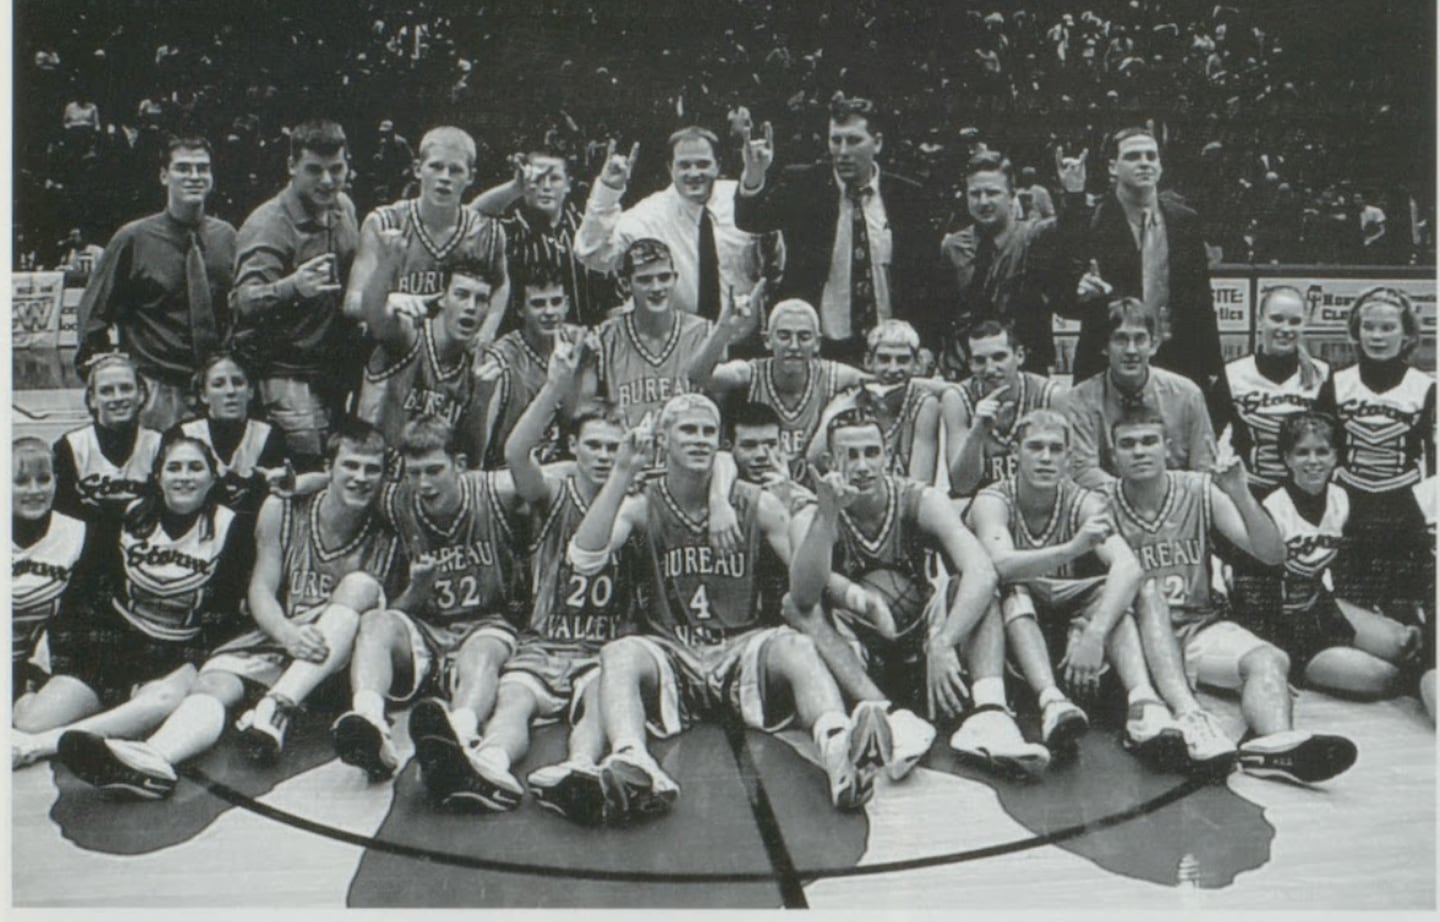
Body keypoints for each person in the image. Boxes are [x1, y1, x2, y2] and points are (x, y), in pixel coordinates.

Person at [562, 395, 899, 821]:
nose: (700, 440)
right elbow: (584, 557)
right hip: (672, 652)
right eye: (688, 430)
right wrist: (623, 471)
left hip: (742, 649)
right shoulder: (644, 503)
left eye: (707, 431)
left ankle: (838, 749)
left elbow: (806, 591)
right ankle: (634, 760)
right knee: (619, 652)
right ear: (663, 439)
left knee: (796, 646)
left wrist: (827, 517)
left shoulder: (755, 503)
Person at [48, 422, 404, 796]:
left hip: (337, 658)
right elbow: (261, 589)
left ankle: (275, 708)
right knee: (214, 683)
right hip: (284, 637)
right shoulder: (283, 508)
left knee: (360, 587)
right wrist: (287, 633)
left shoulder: (391, 514)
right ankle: (155, 760)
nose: (361, 477)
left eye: (371, 469)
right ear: (328, 466)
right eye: (350, 466)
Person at [968, 410, 1233, 771]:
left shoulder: (1083, 501)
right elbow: (999, 565)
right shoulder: (993, 499)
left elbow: (1129, 567)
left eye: (1055, 449)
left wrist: (1093, 634)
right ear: (1015, 453)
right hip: (1012, 636)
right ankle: (1051, 702)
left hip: (1071, 638)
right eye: (1035, 447)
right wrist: (1072, 549)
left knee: (1137, 587)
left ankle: (1155, 706)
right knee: (1013, 587)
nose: (1046, 457)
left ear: (1068, 458)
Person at [790, 410, 1048, 778]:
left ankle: (989, 714)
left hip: (921, 638)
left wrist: (944, 641)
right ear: (831, 462)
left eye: (872, 452)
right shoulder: (811, 515)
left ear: (887, 453)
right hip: (859, 646)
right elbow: (802, 596)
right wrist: (828, 516)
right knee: (799, 610)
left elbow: (981, 570)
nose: (863, 466)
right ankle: (888, 714)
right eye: (851, 455)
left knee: (973, 587)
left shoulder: (919, 500)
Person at [1107, 409, 1357, 784]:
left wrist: (1239, 491)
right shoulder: (1099, 501)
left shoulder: (1198, 490)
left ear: (1168, 448)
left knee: (1269, 658)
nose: (1139, 451)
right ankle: (1186, 716)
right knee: (1147, 590)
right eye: (1128, 444)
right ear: (1113, 455)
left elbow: (1272, 554)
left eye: (1149, 441)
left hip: (1197, 626)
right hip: (1133, 638)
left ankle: (1275, 748)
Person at [13, 435, 251, 778]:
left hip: (179, 650)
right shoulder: (125, 516)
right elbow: (91, 589)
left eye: (195, 468)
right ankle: (49, 729)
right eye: (174, 467)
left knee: (164, 700)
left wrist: (196, 661)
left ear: (213, 478)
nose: (184, 476)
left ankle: (46, 745)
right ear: (158, 476)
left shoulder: (232, 525)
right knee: (30, 719)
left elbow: (226, 610)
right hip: (117, 645)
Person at [330, 416, 530, 785]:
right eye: (414, 472)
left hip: (486, 624)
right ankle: (370, 724)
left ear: (461, 465)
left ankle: (458, 735)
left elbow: (557, 475)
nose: (424, 483)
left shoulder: (495, 490)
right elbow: (343, 485)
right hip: (427, 630)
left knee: (482, 651)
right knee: (376, 621)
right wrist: (418, 589)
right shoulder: (397, 500)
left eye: (435, 470)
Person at [734, 93, 946, 359]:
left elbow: (929, 281)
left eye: (854, 140)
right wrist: (754, 175)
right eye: (836, 140)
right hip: (823, 349)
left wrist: (927, 345)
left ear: (877, 143)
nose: (843, 151)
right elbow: (750, 220)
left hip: (891, 351)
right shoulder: (805, 186)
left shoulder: (908, 198)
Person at [1231, 413, 1421, 698]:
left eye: (1322, 451)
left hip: (1321, 608)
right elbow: (1249, 585)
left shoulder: (1342, 499)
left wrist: (1377, 614)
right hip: (1283, 627)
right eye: (1302, 452)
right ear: (1287, 458)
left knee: (1404, 643)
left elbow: (1358, 566)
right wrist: (1273, 658)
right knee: (1379, 676)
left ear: (1335, 457)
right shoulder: (1271, 506)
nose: (1313, 461)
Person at [75, 137, 237, 431]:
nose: (194, 176)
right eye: (183, 168)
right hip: (157, 388)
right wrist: (109, 380)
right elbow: (93, 315)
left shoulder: (227, 237)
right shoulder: (133, 239)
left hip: (214, 388)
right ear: (164, 176)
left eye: (203, 168)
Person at [1062, 128, 1225, 418]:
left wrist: (1215, 373)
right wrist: (1073, 195)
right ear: (1113, 166)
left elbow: (1202, 305)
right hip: (1110, 362)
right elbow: (1066, 287)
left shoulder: (1184, 221)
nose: (1145, 163)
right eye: (1134, 156)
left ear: (1161, 166)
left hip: (1177, 358)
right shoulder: (1091, 220)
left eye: (1152, 156)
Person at [229, 119, 361, 470]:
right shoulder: (269, 223)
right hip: (285, 375)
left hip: (331, 371)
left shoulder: (343, 208)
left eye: (337, 169)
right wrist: (293, 287)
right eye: (314, 170)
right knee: (305, 470)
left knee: (336, 467)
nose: (328, 181)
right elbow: (244, 300)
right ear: (291, 167)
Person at [1315, 286, 1436, 613]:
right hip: (1350, 505)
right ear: (1356, 331)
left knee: (1407, 608)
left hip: (1404, 507)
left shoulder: (1425, 387)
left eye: (1388, 328)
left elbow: (1433, 461)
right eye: (1368, 327)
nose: (1377, 336)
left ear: (1407, 333)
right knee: (1353, 607)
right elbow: (1321, 450)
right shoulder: (1337, 382)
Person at [575, 127, 761, 321]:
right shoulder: (649, 215)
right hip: (677, 343)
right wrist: (608, 190)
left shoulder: (741, 199)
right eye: (684, 165)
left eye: (703, 164)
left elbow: (774, 263)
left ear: (718, 166)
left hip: (744, 340)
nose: (694, 173)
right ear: (670, 168)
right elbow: (593, 255)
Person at [939, 148, 1087, 375]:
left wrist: (1074, 192)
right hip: (969, 370)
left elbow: (1067, 229)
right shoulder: (953, 247)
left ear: (1011, 195)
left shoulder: (1032, 237)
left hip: (1025, 368)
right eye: (975, 194)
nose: (983, 202)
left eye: (992, 193)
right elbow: (943, 312)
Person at [687, 297, 867, 479]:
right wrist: (724, 328)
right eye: (784, 336)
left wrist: (838, 409)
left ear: (817, 343)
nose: (794, 346)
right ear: (767, 340)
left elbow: (883, 387)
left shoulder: (835, 377)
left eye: (804, 337)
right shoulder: (751, 373)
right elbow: (697, 376)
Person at [351, 254, 503, 461]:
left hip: (430, 484)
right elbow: (374, 313)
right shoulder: (408, 334)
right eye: (461, 294)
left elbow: (472, 459)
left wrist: (481, 401)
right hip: (375, 474)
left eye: (481, 300)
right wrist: (386, 267)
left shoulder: (476, 367)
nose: (471, 307)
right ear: (442, 298)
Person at [345, 126, 508, 316]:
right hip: (395, 341)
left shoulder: (486, 232)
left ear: (470, 176)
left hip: (456, 343)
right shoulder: (383, 222)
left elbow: (501, 286)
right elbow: (351, 302)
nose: (445, 178)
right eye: (436, 167)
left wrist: (487, 332)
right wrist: (388, 300)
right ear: (417, 169)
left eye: (455, 170)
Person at [1058, 298, 1215, 489]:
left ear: (1154, 344)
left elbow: (1204, 469)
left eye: (1139, 339)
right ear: (1104, 347)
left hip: (1177, 505)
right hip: (1105, 507)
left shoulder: (1187, 396)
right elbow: (1083, 472)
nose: (1131, 350)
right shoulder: (1079, 401)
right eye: (1121, 339)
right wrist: (1134, 499)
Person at [470, 148, 619, 328]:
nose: (546, 186)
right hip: (520, 349)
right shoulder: (510, 228)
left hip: (583, 343)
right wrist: (515, 187)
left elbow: (614, 300)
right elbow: (471, 217)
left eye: (554, 179)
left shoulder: (587, 229)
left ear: (568, 185)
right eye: (538, 179)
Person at [579, 238, 714, 426]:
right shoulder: (604, 339)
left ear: (675, 278)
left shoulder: (703, 333)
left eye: (664, 277)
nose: (657, 288)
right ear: (626, 284)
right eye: (645, 280)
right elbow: (581, 411)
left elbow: (719, 408)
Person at [475, 261, 587, 469]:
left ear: (567, 304)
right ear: (519, 309)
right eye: (538, 303)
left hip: (561, 473)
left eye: (555, 302)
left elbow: (580, 426)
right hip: (508, 475)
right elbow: (480, 446)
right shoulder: (502, 359)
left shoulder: (578, 346)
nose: (549, 311)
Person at [1223, 286, 1330, 496]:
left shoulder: (1321, 374)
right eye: (1277, 318)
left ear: (1305, 324)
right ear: (1259, 319)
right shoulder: (1232, 374)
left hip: (1306, 494)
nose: (1285, 328)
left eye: (1294, 321)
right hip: (1251, 492)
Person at [807, 320, 942, 483]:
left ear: (916, 364)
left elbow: (921, 482)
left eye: (903, 360)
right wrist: (851, 402)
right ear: (868, 362)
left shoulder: (924, 404)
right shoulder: (851, 400)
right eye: (884, 359)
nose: (893, 369)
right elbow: (814, 459)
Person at [947, 320, 1063, 497]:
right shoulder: (958, 398)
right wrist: (977, 432)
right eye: (980, 360)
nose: (991, 369)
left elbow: (1065, 474)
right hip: (977, 503)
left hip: (1037, 500)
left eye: (999, 357)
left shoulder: (1048, 395)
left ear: (1019, 356)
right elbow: (962, 486)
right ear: (970, 364)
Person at [12, 438, 89, 700]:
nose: (34, 490)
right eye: (20, 482)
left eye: (43, 479)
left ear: (56, 481)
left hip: (46, 669)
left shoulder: (77, 533)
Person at [172, 351, 291, 520]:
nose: (230, 391)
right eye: (218, 384)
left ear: (250, 391)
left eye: (238, 382)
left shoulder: (269, 435)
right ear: (204, 395)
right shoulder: (184, 435)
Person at [53, 353, 164, 526]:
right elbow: (63, 517)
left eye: (126, 388)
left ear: (141, 394)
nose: (118, 397)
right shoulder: (70, 447)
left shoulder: (159, 444)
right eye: (106, 391)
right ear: (92, 399)